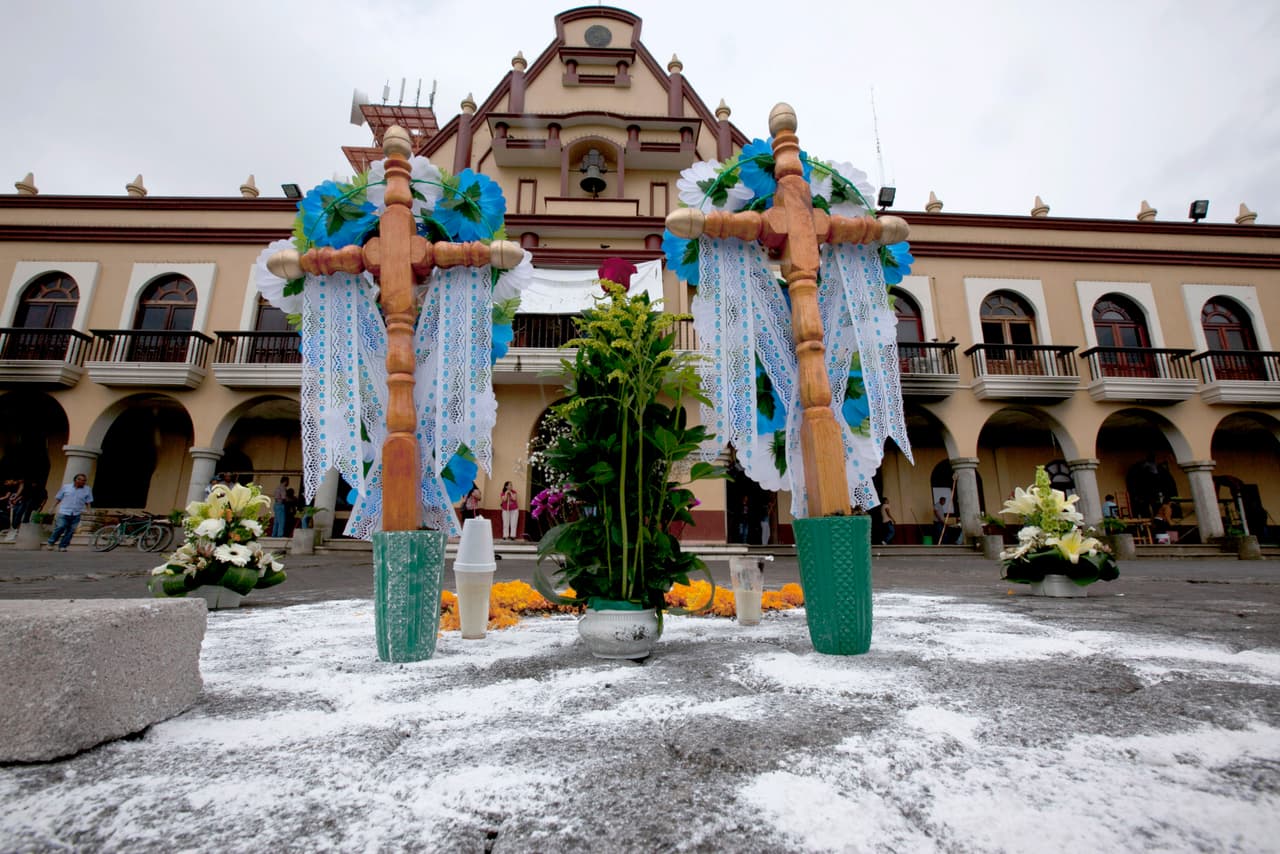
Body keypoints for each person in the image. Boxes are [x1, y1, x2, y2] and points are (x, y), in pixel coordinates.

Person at [45, 473, 93, 552]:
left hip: (76, 513)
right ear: (76, 480)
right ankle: (51, 542)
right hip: (64, 511)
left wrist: (89, 510)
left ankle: (63, 546)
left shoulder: (87, 489)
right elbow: (58, 498)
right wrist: (52, 508)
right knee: (60, 527)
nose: (83, 482)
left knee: (70, 531)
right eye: (81, 480)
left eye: (84, 480)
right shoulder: (66, 487)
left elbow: (88, 502)